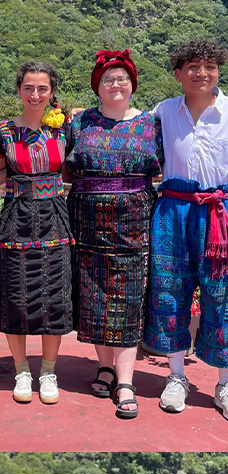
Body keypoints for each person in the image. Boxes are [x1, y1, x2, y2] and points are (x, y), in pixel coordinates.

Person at [66, 50, 163, 418]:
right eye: (108, 79)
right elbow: (66, 168)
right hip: (86, 218)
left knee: (127, 296)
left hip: (134, 219)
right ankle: (104, 366)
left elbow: (162, 167)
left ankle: (125, 380)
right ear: (98, 86)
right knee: (93, 293)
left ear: (133, 84)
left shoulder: (150, 125)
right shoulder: (81, 123)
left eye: (122, 78)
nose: (116, 84)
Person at [144, 39, 228, 420]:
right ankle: (176, 376)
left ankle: (224, 382)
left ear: (218, 71)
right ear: (178, 74)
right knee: (170, 290)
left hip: (221, 214)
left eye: (209, 66)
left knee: (223, 295)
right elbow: (128, 127)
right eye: (192, 66)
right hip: (173, 209)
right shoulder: (163, 112)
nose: (201, 73)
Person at [0, 62, 73, 404]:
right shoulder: (4, 132)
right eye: (28, 88)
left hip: (55, 216)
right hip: (15, 218)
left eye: (42, 88)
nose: (35, 94)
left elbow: (72, 168)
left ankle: (49, 371)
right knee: (15, 295)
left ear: (52, 91)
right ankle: (22, 370)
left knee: (54, 295)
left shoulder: (65, 129)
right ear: (19, 90)